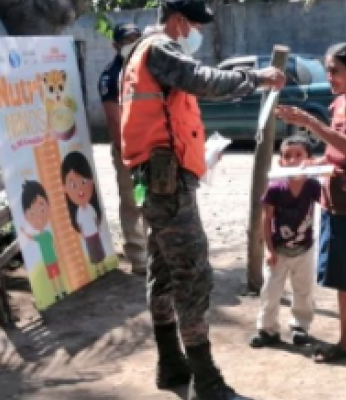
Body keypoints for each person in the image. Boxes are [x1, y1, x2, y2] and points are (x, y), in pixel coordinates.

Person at [118, 1, 286, 399]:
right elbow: (203, 80)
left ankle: (170, 364)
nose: (197, 34)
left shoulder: (141, 54)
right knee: (191, 275)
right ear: (178, 21)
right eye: (195, 25)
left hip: (157, 180)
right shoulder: (161, 49)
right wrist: (256, 78)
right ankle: (205, 380)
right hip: (167, 184)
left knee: (162, 270)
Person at [275, 42, 346, 380]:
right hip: (335, 203)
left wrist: (308, 120)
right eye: (327, 70)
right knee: (343, 277)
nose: (330, 77)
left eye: (335, 70)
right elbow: (334, 154)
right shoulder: (338, 104)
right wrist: (310, 165)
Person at [249, 135, 321, 349]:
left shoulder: (312, 186)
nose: (293, 160)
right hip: (278, 250)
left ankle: (300, 326)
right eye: (287, 156)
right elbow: (267, 219)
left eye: (299, 155)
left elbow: (328, 204)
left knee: (303, 290)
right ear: (280, 162)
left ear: (309, 159)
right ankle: (267, 329)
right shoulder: (275, 188)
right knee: (271, 291)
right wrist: (269, 250)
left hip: (304, 250)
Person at [98, 23, 149, 275]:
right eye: (127, 39)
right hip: (128, 149)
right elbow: (113, 119)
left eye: (136, 37)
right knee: (132, 201)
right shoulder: (111, 75)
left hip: (153, 146)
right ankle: (139, 257)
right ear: (115, 45)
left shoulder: (148, 67)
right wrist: (127, 152)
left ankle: (157, 252)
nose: (133, 42)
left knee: (154, 199)